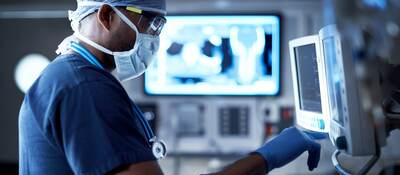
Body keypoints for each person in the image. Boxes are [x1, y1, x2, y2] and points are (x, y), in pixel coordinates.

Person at [18, 0, 321, 174]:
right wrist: (266, 158)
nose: (155, 38)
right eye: (149, 23)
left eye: (160, 26)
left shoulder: (69, 76)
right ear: (107, 15)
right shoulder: (85, 87)